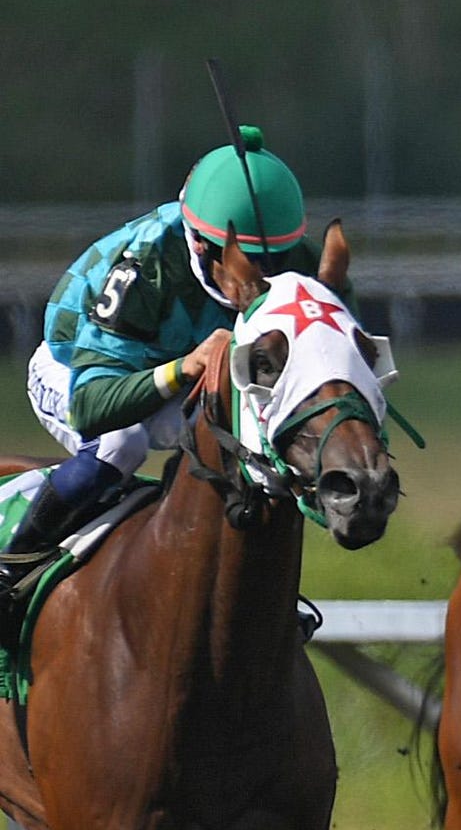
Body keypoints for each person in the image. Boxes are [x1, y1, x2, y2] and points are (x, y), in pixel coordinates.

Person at [16, 126, 316, 573]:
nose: (259, 276)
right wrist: (187, 365)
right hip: (78, 373)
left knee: (253, 440)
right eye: (245, 259)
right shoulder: (143, 265)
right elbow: (92, 405)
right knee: (120, 446)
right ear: (197, 241)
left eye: (272, 260)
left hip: (172, 378)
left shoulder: (296, 259)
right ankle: (13, 562)